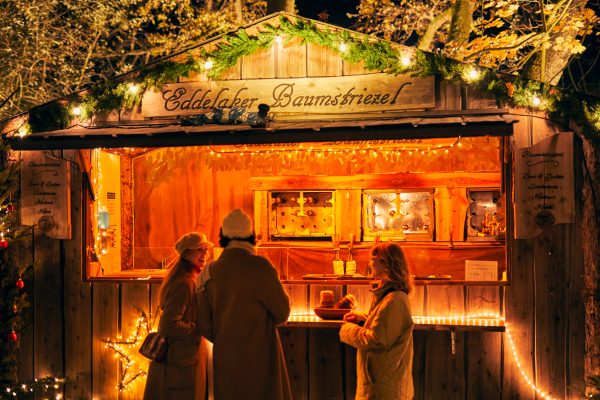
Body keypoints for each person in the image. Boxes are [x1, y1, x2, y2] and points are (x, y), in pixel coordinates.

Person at [196, 208, 292, 400]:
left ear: (223, 236)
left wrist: (226, 338)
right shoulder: (261, 267)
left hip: (226, 358)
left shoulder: (208, 272)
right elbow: (282, 313)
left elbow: (204, 324)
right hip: (262, 356)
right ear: (251, 236)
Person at [339, 242, 414, 400]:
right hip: (381, 382)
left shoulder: (394, 301)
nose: (370, 263)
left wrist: (347, 330)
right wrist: (361, 319)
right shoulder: (388, 296)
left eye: (374, 259)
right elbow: (384, 324)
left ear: (386, 264)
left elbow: (377, 340)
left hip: (383, 387)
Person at [143, 232, 213, 400]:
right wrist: (198, 329)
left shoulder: (190, 278)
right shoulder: (185, 282)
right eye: (199, 250)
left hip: (183, 359)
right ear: (186, 254)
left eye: (205, 249)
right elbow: (169, 324)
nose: (204, 254)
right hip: (181, 361)